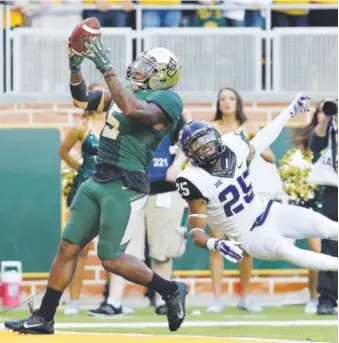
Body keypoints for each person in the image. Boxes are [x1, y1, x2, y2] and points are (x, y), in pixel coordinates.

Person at [5, 37, 187, 334]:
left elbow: (134, 111)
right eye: (141, 62)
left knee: (111, 260)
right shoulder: (123, 91)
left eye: (148, 66)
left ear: (163, 75)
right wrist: (75, 66)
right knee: (68, 247)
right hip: (97, 178)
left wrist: (106, 67)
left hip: (125, 184)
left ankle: (171, 289)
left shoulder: (169, 100)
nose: (139, 68)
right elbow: (81, 98)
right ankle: (44, 317)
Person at [175, 94, 338, 280]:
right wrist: (216, 244)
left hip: (268, 210)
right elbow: (196, 233)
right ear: (189, 152)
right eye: (197, 145)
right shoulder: (192, 179)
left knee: (326, 227)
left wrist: (289, 111)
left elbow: (262, 140)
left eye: (206, 140)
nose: (205, 147)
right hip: (250, 235)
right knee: (290, 251)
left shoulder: (233, 144)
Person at [88, 114, 188, 316]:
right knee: (124, 249)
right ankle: (114, 301)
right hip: (130, 187)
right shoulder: (125, 108)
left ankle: (164, 299)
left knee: (162, 250)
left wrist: (177, 165)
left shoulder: (170, 109)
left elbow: (186, 140)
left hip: (163, 189)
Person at [207, 87, 276, 313]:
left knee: (246, 247)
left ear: (238, 102)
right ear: (218, 104)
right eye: (222, 99)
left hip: (241, 194)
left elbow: (270, 157)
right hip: (217, 193)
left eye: (231, 98)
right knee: (217, 245)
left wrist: (250, 146)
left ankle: (245, 297)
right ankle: (217, 299)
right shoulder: (211, 128)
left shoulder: (249, 128)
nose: (226, 102)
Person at [59, 83, 104, 316]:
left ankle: (112, 300)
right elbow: (63, 151)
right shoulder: (81, 127)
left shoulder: (118, 126)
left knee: (114, 246)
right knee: (80, 247)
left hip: (111, 189)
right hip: (85, 188)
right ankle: (74, 300)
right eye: (94, 94)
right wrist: (81, 168)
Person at [308, 100, 338, 315]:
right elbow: (314, 147)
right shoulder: (329, 128)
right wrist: (325, 119)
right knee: (330, 245)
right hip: (334, 191)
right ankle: (326, 299)